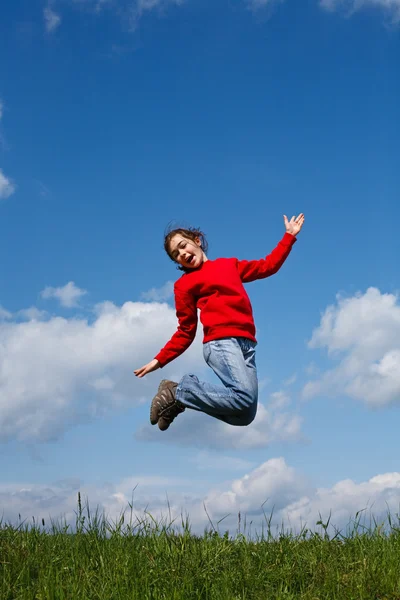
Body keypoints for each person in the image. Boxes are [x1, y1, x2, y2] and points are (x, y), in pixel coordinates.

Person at [134, 213, 305, 431]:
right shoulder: (184, 285)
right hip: (221, 343)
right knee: (243, 397)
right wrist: (159, 360)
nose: (183, 254)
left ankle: (178, 399)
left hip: (248, 346)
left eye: (183, 246)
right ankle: (178, 392)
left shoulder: (229, 265)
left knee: (245, 415)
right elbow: (185, 331)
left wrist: (289, 236)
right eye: (176, 254)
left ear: (196, 240)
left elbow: (267, 266)